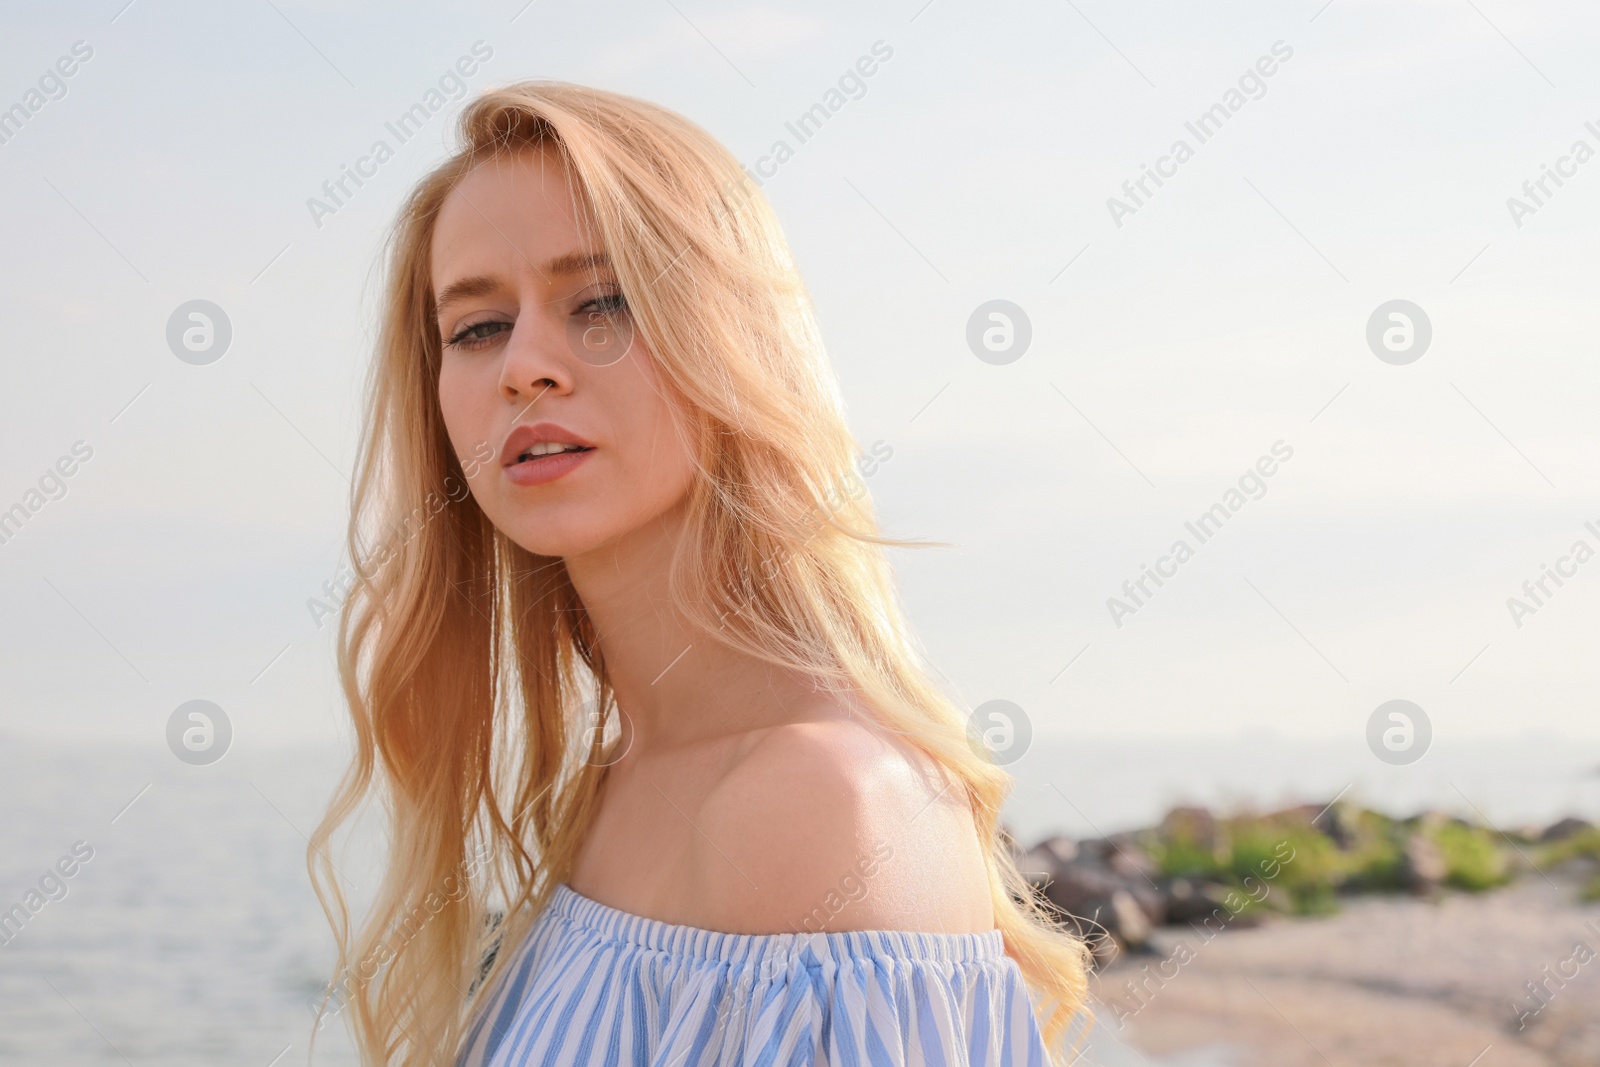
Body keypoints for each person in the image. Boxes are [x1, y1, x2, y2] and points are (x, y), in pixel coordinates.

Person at [308, 80, 1091, 1066]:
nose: (526, 365)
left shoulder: (821, 803)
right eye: (476, 326)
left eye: (600, 301)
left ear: (731, 342)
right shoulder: (609, 786)